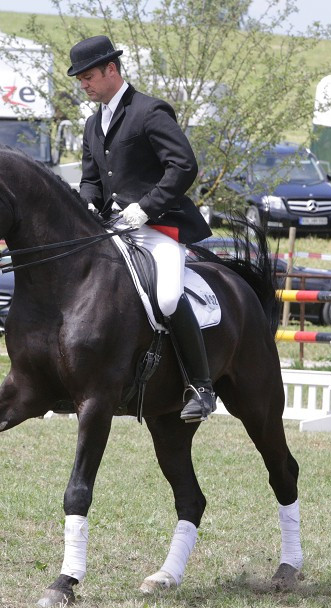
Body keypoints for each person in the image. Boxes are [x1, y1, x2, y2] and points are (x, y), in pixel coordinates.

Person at [68, 35, 215, 423]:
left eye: (88, 76)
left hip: (157, 227)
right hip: (112, 228)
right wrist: (86, 203)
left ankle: (202, 386)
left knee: (167, 298)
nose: (83, 84)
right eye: (79, 78)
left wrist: (145, 208)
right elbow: (91, 180)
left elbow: (184, 166)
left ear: (111, 70)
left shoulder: (149, 112)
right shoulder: (92, 124)